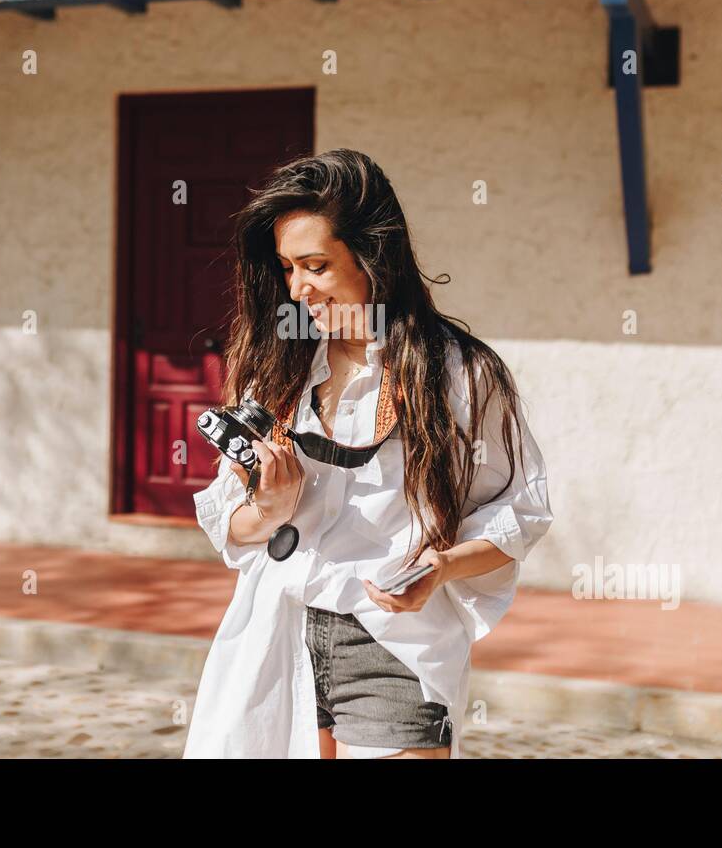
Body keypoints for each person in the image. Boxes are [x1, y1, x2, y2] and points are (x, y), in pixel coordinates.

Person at [182, 148, 553, 759]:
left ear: (373, 257)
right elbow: (234, 524)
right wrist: (270, 505)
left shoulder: (460, 374)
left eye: (316, 265)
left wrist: (439, 568)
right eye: (287, 268)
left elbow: (522, 512)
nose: (298, 289)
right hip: (277, 629)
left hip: (394, 643)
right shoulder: (278, 370)